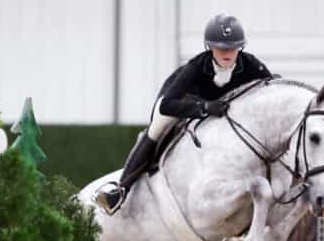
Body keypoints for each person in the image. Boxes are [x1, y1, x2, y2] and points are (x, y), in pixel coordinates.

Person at [96, 13, 274, 214]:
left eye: (233, 47)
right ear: (210, 47)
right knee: (156, 128)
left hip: (220, 104)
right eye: (221, 47)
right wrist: (204, 108)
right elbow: (168, 105)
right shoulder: (195, 67)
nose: (227, 52)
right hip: (183, 100)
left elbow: (272, 87)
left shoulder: (250, 64)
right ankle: (120, 190)